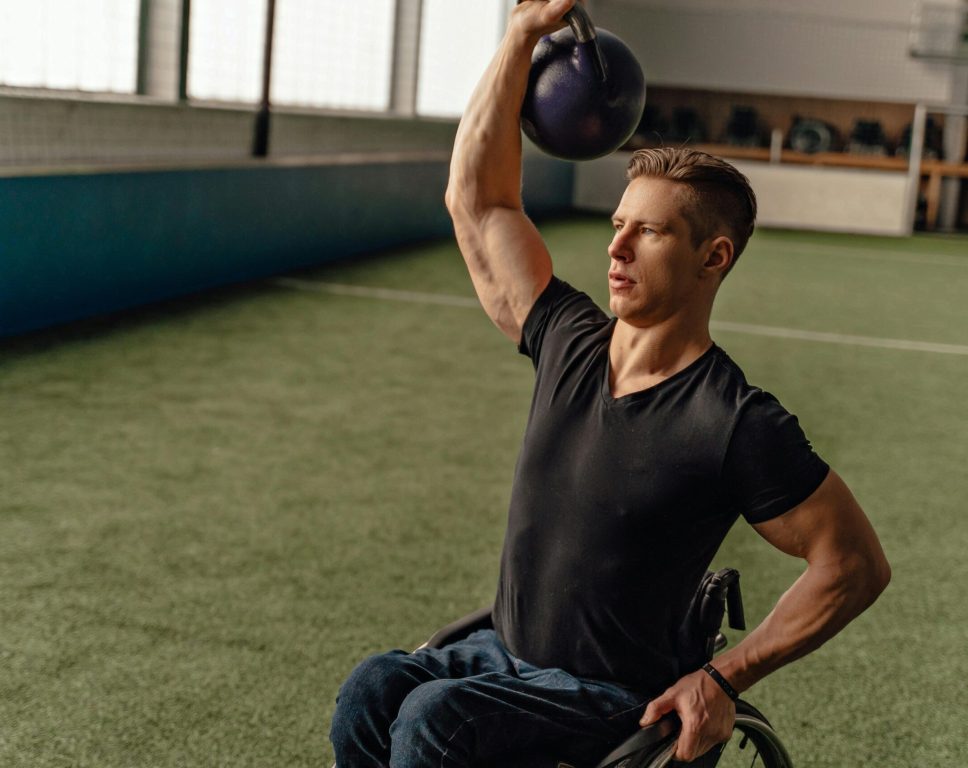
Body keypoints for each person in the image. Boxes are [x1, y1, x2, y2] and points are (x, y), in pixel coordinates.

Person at [329, 1, 891, 765]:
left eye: (649, 231)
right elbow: (480, 201)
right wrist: (521, 38)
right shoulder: (570, 340)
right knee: (372, 688)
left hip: (607, 696)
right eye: (617, 224)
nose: (617, 246)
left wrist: (724, 678)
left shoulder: (732, 421)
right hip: (500, 658)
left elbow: (854, 565)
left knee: (434, 719)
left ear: (712, 258)